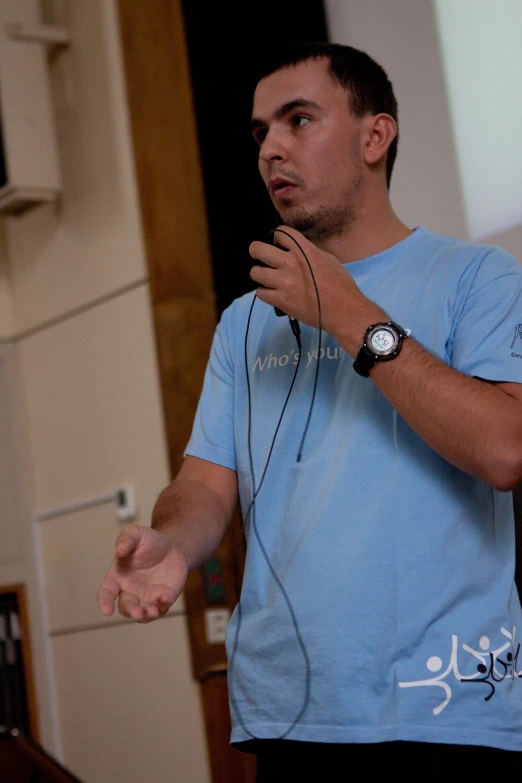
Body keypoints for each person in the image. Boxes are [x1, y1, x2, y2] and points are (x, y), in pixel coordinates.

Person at [98, 42, 522, 778]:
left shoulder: (477, 275)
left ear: (374, 136)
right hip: (290, 712)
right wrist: (173, 540)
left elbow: (506, 449)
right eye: (261, 132)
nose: (271, 150)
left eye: (298, 119)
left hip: (444, 708)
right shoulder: (242, 323)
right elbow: (204, 484)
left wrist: (351, 316)